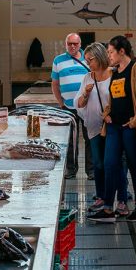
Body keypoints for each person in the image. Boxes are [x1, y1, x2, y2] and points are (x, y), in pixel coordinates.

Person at [91, 35, 136, 223]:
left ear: (121, 51)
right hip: (113, 127)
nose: (108, 55)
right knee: (110, 164)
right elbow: (113, 98)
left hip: (131, 128)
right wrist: (107, 114)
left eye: (111, 52)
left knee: (134, 166)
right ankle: (108, 209)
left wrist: (135, 121)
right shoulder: (115, 72)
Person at [75, 42, 127, 216]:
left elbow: (122, 99)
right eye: (87, 60)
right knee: (98, 164)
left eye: (90, 60)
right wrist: (86, 94)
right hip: (94, 127)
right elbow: (79, 104)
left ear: (100, 57)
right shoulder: (88, 78)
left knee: (114, 163)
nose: (88, 63)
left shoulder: (115, 75)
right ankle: (101, 196)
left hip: (113, 126)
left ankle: (121, 199)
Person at [51, 32, 93, 180]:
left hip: (87, 107)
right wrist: (61, 103)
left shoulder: (88, 59)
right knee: (70, 140)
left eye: (75, 43)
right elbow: (55, 84)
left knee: (90, 138)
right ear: (66, 44)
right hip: (68, 107)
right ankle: (71, 169)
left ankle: (91, 170)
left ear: (80, 45)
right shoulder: (58, 60)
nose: (72, 46)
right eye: (70, 43)